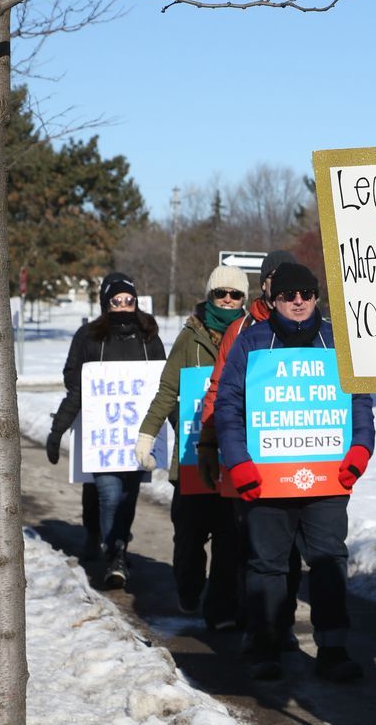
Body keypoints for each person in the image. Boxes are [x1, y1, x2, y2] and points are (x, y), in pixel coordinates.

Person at [214, 261, 375, 682]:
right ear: (273, 299)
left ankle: (333, 647)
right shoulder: (251, 343)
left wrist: (360, 449)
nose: (299, 302)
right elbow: (228, 408)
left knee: (328, 559)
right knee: (266, 564)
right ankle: (263, 643)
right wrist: (239, 463)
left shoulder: (336, 344)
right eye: (288, 295)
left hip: (327, 479)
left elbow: (359, 404)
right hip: (265, 480)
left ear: (317, 297)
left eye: (306, 294)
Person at [197, 249, 304, 648]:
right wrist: (210, 444)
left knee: (288, 548)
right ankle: (238, 615)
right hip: (249, 454)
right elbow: (218, 389)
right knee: (244, 542)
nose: (284, 285)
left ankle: (282, 623)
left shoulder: (309, 326)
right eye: (275, 277)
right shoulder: (240, 331)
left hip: (295, 454)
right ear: (265, 283)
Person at [134, 264, 249, 629]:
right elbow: (168, 389)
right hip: (191, 457)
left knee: (229, 539)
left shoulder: (253, 334)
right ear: (209, 295)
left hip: (233, 456)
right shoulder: (190, 336)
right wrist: (147, 433)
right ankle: (189, 589)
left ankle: (220, 610)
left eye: (235, 294)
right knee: (189, 536)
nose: (228, 300)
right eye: (221, 293)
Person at [46, 273, 166, 589]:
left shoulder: (148, 336)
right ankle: (111, 551)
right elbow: (74, 380)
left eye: (130, 301)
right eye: (117, 301)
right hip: (102, 433)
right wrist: (58, 429)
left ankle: (115, 546)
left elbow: (162, 384)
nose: (124, 306)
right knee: (107, 493)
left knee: (128, 496)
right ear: (106, 303)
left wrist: (179, 430)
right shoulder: (88, 336)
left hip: (139, 435)